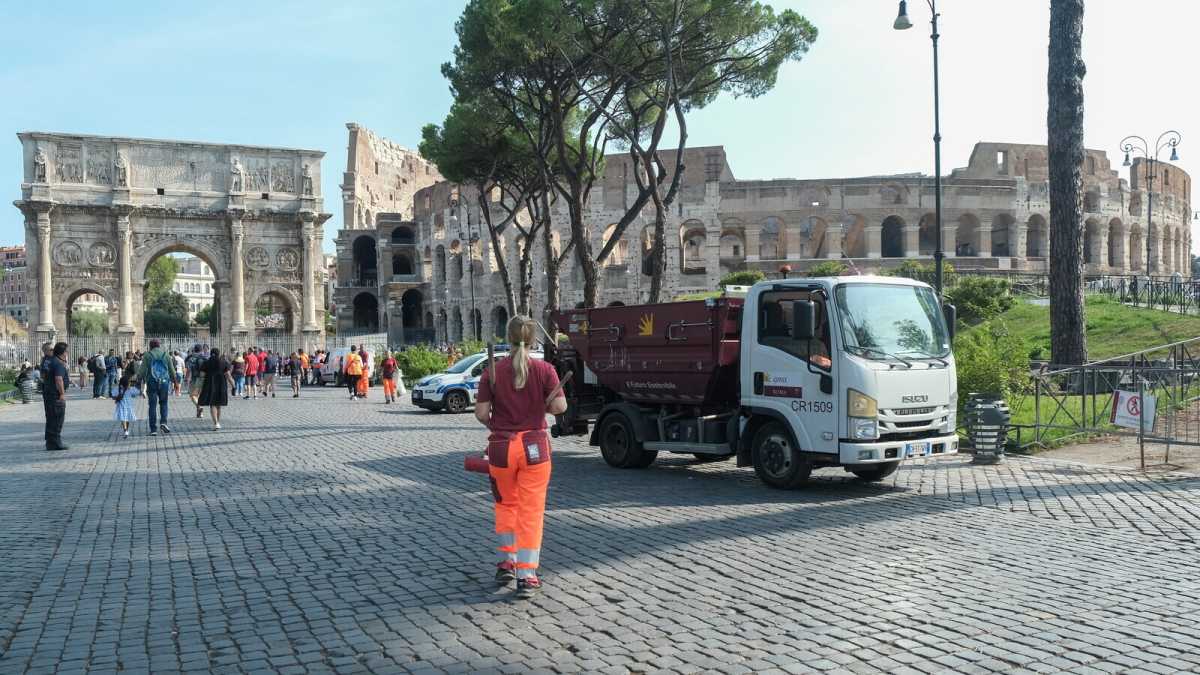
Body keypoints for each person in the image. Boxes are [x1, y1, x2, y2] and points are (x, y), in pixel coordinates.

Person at [475, 317, 568, 597]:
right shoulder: (545, 370)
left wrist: (498, 426)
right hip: (534, 448)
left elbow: (481, 413)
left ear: (508, 336)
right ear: (533, 339)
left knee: (505, 505)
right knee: (531, 511)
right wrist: (543, 404)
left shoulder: (492, 371)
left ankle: (507, 562)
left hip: (502, 447)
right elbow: (560, 407)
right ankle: (526, 575)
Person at [139, 339, 175, 436]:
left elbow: (142, 370)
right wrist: (175, 381)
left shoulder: (147, 355)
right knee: (164, 403)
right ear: (159, 346)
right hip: (164, 382)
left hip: (152, 382)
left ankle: (153, 429)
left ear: (150, 346)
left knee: (152, 405)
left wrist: (138, 379)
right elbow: (172, 370)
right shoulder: (166, 355)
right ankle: (163, 422)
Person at [42, 342, 70, 452]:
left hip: (48, 393)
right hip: (56, 395)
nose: (67, 353)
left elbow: (44, 375)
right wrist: (62, 394)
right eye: (67, 351)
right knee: (57, 419)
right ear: (63, 353)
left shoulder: (49, 361)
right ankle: (55, 443)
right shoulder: (58, 363)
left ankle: (50, 442)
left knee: (50, 418)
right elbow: (59, 379)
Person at [198, 347, 232, 430]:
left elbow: (202, 375)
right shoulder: (223, 362)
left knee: (212, 404)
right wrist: (233, 384)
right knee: (218, 404)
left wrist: (199, 386)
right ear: (218, 354)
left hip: (209, 384)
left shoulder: (206, 362)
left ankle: (216, 423)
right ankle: (218, 422)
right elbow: (228, 375)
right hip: (221, 385)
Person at [186, 345, 207, 418]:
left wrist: (187, 379)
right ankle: (200, 413)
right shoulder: (205, 358)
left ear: (194, 350)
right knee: (199, 395)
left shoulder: (191, 358)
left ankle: (199, 406)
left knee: (192, 395)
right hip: (203, 379)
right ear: (201, 350)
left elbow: (188, 370)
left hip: (195, 379)